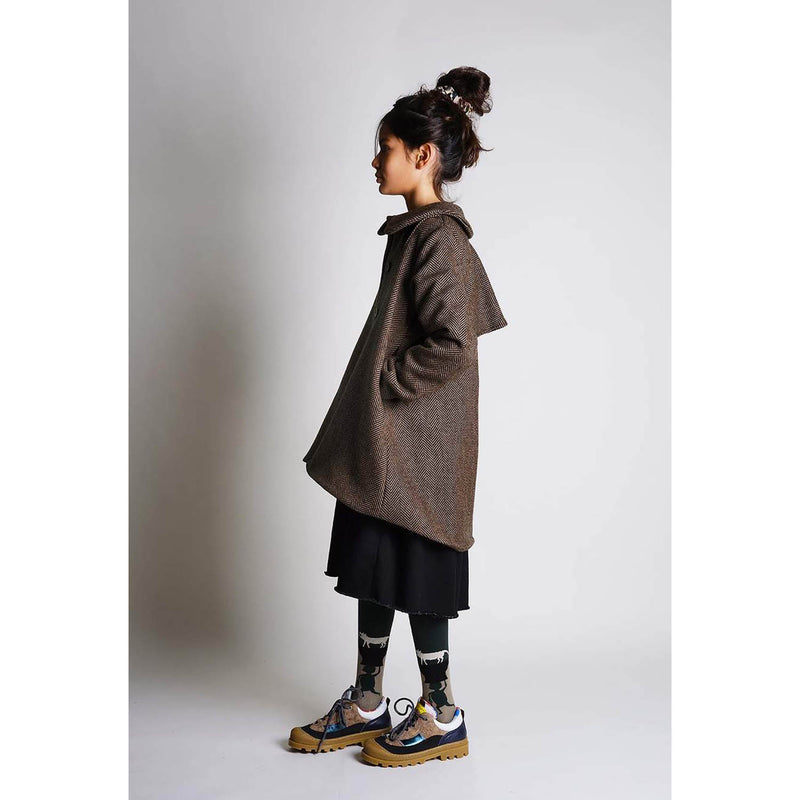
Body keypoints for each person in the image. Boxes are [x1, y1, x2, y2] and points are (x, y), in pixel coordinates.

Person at [288, 66, 508, 767]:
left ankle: (441, 714)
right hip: (389, 444)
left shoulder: (441, 241)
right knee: (374, 563)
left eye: (384, 148)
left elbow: (453, 346)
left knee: (419, 567)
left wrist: (385, 381)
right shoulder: (413, 234)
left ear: (423, 154)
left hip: (418, 449)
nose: (375, 161)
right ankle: (367, 701)